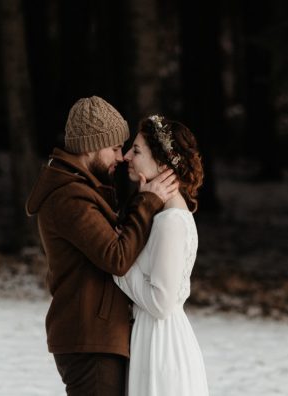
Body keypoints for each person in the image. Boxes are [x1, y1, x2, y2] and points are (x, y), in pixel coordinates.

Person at [25, 96, 178, 396]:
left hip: (98, 335)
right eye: (113, 148)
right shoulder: (69, 197)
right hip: (90, 339)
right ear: (91, 147)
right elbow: (116, 257)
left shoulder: (84, 190)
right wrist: (148, 203)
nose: (121, 157)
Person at [113, 114, 209, 396]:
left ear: (164, 163)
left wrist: (118, 262)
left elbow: (160, 302)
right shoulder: (165, 214)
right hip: (151, 338)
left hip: (161, 346)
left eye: (137, 150)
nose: (127, 155)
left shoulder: (171, 220)